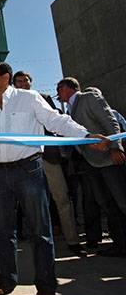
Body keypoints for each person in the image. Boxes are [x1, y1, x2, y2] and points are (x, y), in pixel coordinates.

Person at [0, 62, 106, 295]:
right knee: (3, 232)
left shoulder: (29, 99)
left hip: (29, 170)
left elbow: (55, 121)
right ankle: (7, 280)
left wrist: (85, 135)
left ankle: (46, 288)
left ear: (6, 77)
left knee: (40, 232)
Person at [13, 71, 87, 257]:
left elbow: (54, 121)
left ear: (31, 82)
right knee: (28, 201)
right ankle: (35, 240)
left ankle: (73, 240)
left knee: (61, 198)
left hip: (48, 156)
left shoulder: (42, 98)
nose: (23, 84)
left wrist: (83, 134)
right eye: (19, 81)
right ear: (14, 84)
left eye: (25, 81)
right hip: (23, 158)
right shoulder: (8, 103)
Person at [57, 78, 126, 257]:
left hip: (109, 160)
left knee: (122, 201)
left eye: (60, 88)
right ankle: (120, 244)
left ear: (67, 88)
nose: (58, 93)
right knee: (107, 204)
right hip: (91, 163)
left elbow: (110, 121)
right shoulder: (68, 111)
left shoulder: (89, 98)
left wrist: (115, 147)